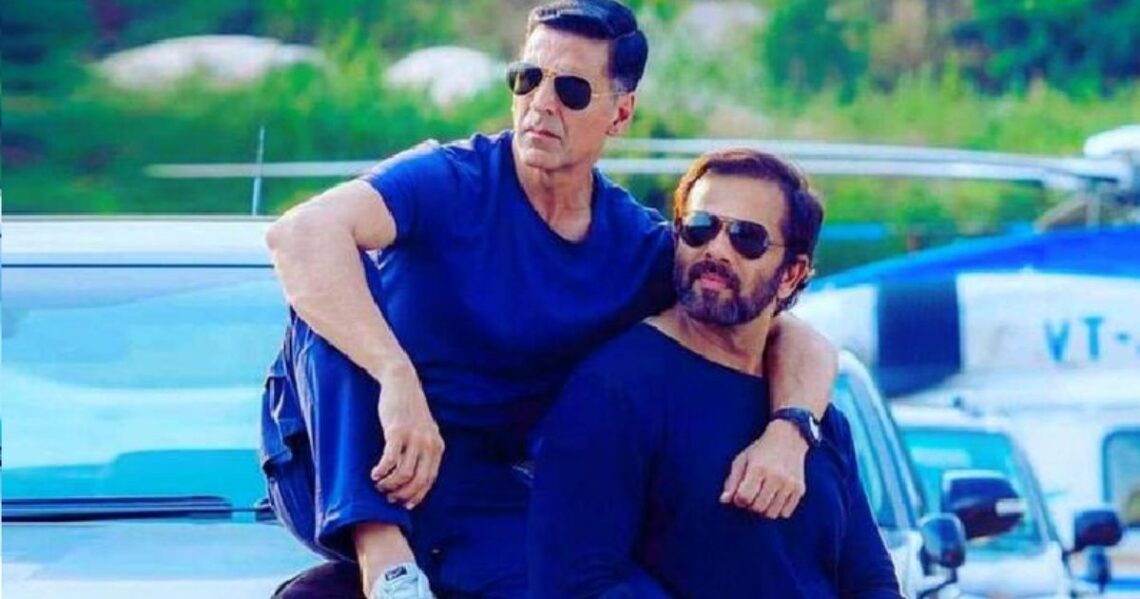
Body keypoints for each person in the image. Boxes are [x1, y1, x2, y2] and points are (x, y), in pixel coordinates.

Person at [260, 1, 838, 597]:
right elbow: (300, 234)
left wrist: (790, 429)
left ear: (620, 113)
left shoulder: (634, 246)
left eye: (571, 90)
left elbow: (785, 332)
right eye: (527, 78)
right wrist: (395, 377)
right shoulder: (449, 179)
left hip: (475, 492)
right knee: (328, 286)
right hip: (341, 463)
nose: (541, 103)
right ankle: (383, 556)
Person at [528, 149, 902, 598]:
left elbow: (870, 580)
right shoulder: (612, 392)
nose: (716, 249)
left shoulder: (813, 416)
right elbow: (578, 583)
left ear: (792, 274)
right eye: (700, 228)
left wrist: (792, 429)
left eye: (747, 238)